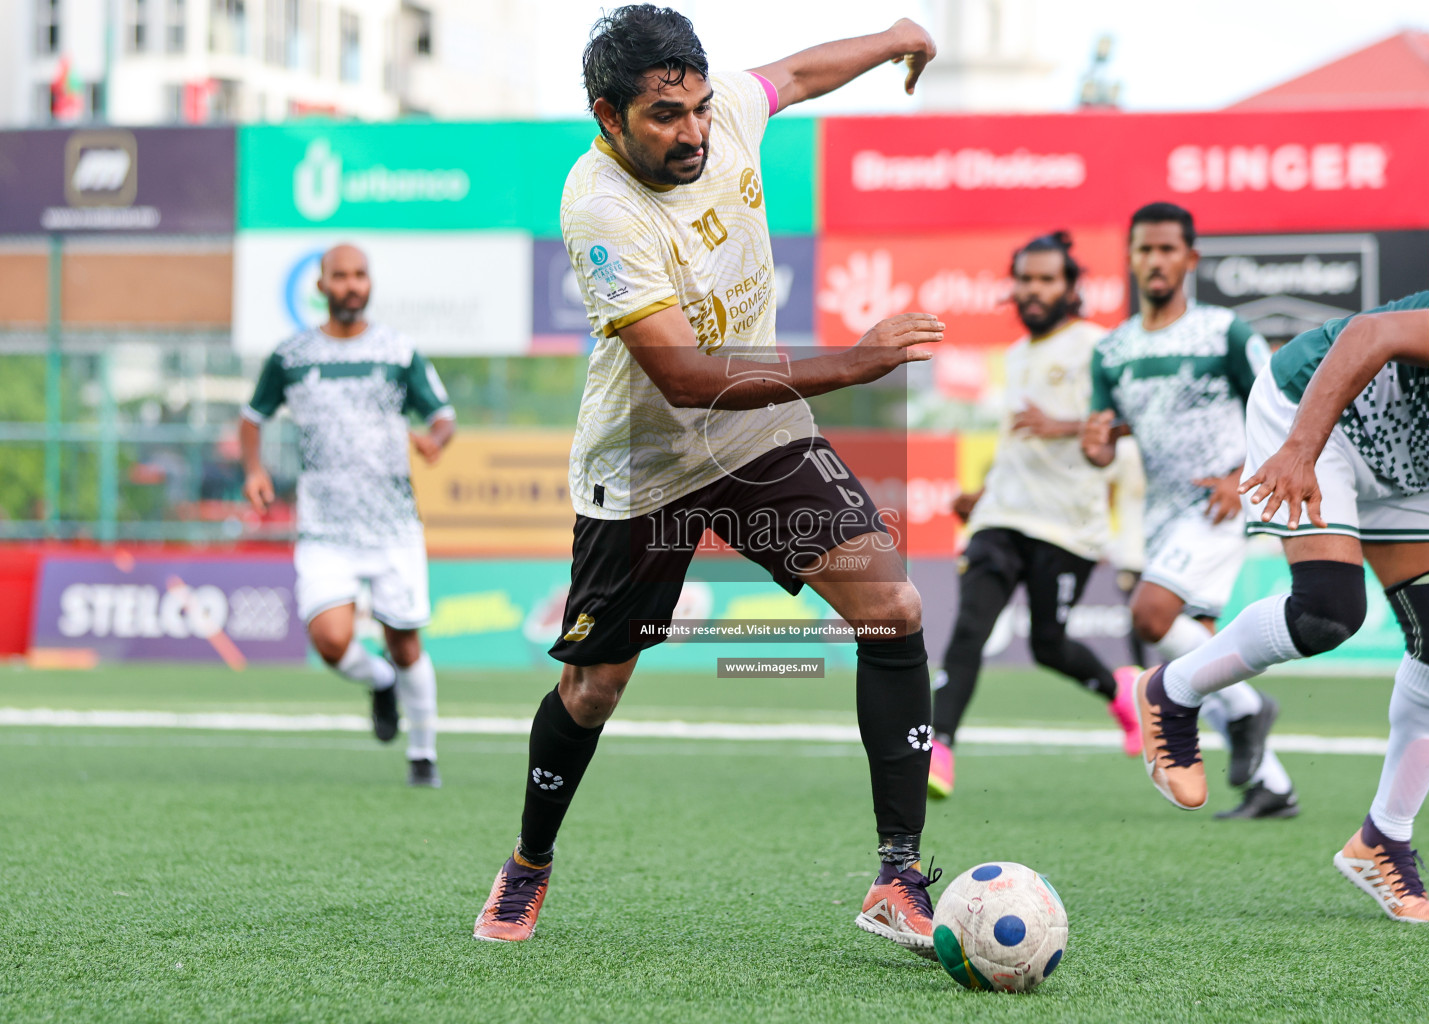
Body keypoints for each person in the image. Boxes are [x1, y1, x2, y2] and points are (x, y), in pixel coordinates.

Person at [472, 6, 946, 953]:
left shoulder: (722, 108)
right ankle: (528, 865)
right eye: (663, 117)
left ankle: (897, 877)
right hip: (646, 467)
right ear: (607, 115)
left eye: (696, 108)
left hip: (758, 437)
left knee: (892, 608)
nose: (691, 132)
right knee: (595, 690)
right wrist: (851, 366)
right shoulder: (598, 207)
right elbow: (686, 377)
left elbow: (801, 75)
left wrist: (894, 36)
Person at [1135, 281, 1429, 922]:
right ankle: (1173, 691)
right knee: (1327, 611)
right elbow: (1367, 336)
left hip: (1408, 464)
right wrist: (1299, 449)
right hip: (1319, 411)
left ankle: (1383, 839)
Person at [1082, 202, 1299, 820]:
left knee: (1150, 615)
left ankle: (1253, 711)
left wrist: (1239, 476)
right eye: (1145, 249)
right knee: (1197, 651)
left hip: (1220, 499)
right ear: (1130, 258)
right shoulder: (1113, 349)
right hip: (1162, 512)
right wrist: (1097, 446)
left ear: (1190, 259)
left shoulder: (1223, 332)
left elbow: (1280, 404)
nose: (1155, 260)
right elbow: (1106, 436)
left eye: (1167, 249)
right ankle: (1273, 784)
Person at [929, 232, 1140, 801]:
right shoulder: (1017, 355)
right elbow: (1016, 437)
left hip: (1068, 524)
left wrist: (1064, 425)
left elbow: (1134, 420)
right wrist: (982, 491)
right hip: (1003, 516)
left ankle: (1122, 690)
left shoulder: (1099, 346)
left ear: (1071, 287)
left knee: (1049, 643)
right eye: (1025, 279)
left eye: (1047, 279)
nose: (1033, 289)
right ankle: (937, 746)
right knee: (969, 627)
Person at [240, 243, 454, 789]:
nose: (352, 285)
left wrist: (434, 440)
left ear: (370, 283)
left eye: (360, 275)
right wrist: (253, 471)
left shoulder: (398, 351)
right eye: (341, 276)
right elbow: (252, 416)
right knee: (331, 641)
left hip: (391, 524)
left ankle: (423, 756)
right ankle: (380, 682)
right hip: (324, 526)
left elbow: (442, 415)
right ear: (322, 286)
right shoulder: (291, 355)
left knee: (406, 642)